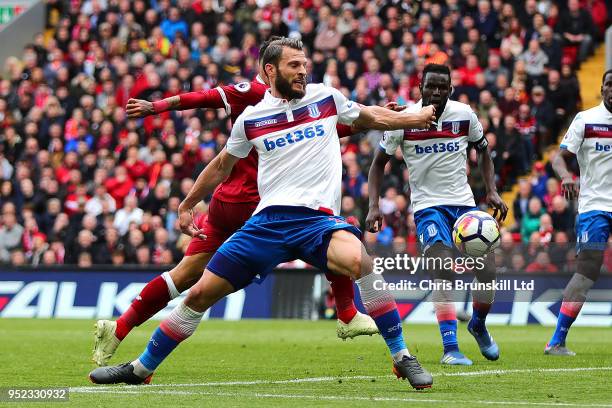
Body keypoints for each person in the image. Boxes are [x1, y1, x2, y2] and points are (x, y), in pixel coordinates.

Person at [89, 37, 436, 389]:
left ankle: (402, 356)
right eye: (294, 66)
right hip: (266, 223)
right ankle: (141, 368)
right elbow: (223, 164)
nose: (303, 72)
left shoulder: (326, 97)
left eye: (304, 64)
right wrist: (188, 202)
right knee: (197, 293)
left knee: (359, 259)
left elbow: (371, 115)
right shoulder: (252, 119)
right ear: (270, 70)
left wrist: (414, 116)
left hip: (316, 221)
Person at [367, 64, 508, 366]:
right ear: (420, 87)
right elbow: (378, 164)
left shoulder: (464, 115)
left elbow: (482, 150)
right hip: (428, 207)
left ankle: (479, 325)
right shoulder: (404, 120)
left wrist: (492, 190)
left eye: (443, 87)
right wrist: (374, 206)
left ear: (450, 89)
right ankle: (451, 348)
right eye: (431, 86)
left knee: (488, 270)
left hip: (465, 206)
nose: (437, 92)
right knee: (441, 268)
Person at [545, 69, 612, 355]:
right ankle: (557, 340)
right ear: (602, 88)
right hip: (595, 206)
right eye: (610, 84)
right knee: (587, 270)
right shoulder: (586, 119)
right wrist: (567, 177)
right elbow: (559, 158)